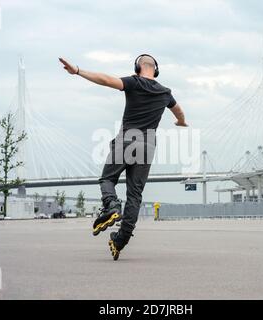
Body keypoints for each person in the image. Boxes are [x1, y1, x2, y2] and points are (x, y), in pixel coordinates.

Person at [59, 54, 188, 260]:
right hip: (147, 146)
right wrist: (181, 122)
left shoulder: (133, 82)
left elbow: (106, 80)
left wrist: (78, 71)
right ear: (156, 70)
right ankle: (121, 239)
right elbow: (179, 111)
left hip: (127, 140)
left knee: (107, 179)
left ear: (137, 68)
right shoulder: (166, 93)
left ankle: (111, 205)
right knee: (135, 195)